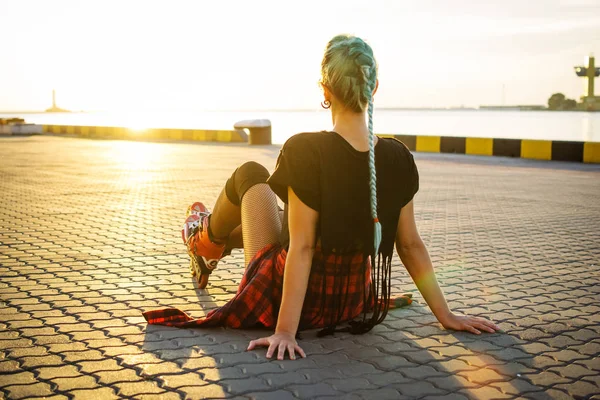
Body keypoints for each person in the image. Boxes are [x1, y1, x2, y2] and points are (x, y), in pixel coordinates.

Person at [143, 34, 499, 360]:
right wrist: (446, 315)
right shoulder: (399, 157)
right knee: (289, 214)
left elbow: (303, 247)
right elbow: (410, 245)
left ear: (325, 90)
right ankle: (211, 242)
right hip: (349, 302)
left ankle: (205, 240)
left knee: (251, 174)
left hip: (288, 297)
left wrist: (285, 330)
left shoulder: (305, 150)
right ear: (373, 88)